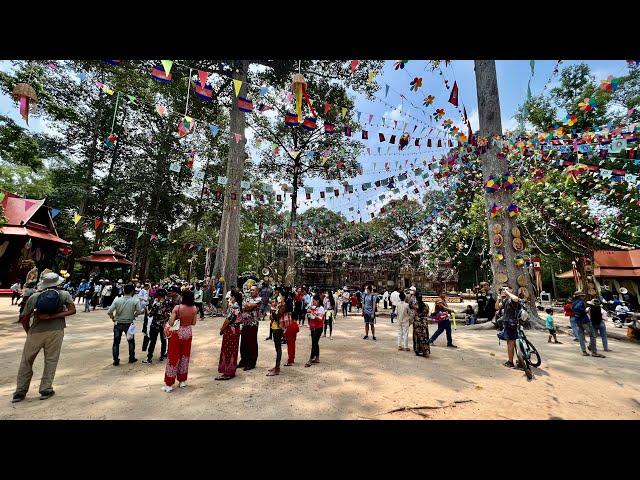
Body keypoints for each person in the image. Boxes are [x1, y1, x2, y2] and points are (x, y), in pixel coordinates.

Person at [12, 273, 77, 403]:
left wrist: (29, 331)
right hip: (56, 331)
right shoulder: (64, 295)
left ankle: (20, 392)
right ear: (57, 283)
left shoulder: (34, 296)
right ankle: (46, 389)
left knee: (26, 361)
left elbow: (24, 318)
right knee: (51, 360)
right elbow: (72, 310)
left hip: (36, 331)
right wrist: (54, 317)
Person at [162, 290, 198, 392]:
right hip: (188, 332)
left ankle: (169, 383)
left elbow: (171, 322)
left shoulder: (177, 308)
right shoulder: (194, 308)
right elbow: (194, 323)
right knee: (184, 357)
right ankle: (182, 381)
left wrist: (170, 318)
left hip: (177, 333)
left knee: (173, 357)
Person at [108, 283, 144, 366]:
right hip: (128, 323)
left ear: (124, 291)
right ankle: (131, 358)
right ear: (132, 291)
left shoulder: (117, 299)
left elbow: (109, 311)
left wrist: (112, 318)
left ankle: (116, 360)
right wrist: (134, 315)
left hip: (118, 323)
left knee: (116, 342)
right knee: (131, 341)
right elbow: (139, 311)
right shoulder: (135, 300)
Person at [216, 291, 244, 380]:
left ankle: (227, 372)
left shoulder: (234, 306)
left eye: (231, 296)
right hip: (235, 330)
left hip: (230, 330)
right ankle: (231, 370)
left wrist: (222, 329)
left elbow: (228, 319)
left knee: (228, 349)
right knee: (233, 350)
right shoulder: (238, 306)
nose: (230, 298)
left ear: (234, 297)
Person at [572, 291, 605, 358]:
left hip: (578, 321)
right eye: (582, 296)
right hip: (585, 321)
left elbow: (574, 310)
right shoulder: (580, 302)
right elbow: (577, 309)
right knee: (593, 336)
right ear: (580, 296)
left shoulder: (574, 302)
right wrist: (584, 311)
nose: (583, 297)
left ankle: (584, 351)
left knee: (581, 336)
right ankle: (594, 352)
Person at [238, 284, 261, 371]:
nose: (251, 291)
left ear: (257, 291)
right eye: (250, 290)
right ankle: (243, 360)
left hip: (253, 324)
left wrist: (248, 305)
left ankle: (251, 362)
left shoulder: (259, 299)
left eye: (253, 290)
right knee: (243, 342)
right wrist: (247, 306)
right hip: (245, 323)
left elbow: (249, 306)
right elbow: (243, 307)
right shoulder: (248, 298)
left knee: (252, 342)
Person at [142, 289, 169, 364]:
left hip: (155, 325)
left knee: (153, 341)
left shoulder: (156, 304)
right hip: (163, 325)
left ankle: (149, 357)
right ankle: (162, 356)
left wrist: (147, 310)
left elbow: (150, 314)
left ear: (159, 296)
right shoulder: (168, 303)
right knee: (163, 340)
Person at [496, 286, 520, 368]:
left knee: (510, 343)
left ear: (511, 290)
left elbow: (516, 299)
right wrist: (498, 298)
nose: (504, 290)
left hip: (511, 323)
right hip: (507, 323)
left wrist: (508, 293)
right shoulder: (505, 300)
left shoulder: (511, 299)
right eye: (503, 289)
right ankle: (520, 360)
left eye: (507, 289)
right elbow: (497, 307)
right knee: (513, 343)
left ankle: (510, 362)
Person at [267, 290, 289, 376]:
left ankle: (277, 368)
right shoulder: (280, 305)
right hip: (275, 327)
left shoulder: (284, 306)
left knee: (278, 348)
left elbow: (277, 316)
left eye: (280, 295)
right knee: (277, 347)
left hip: (278, 328)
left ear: (283, 297)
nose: (278, 297)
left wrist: (272, 311)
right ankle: (276, 366)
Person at [305, 295, 325, 367]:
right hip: (313, 327)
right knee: (315, 343)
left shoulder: (321, 308)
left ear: (318, 301)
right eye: (312, 301)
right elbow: (310, 316)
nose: (313, 302)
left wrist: (312, 314)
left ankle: (310, 359)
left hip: (318, 328)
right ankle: (317, 358)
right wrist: (309, 313)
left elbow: (320, 318)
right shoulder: (313, 307)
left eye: (314, 301)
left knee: (314, 343)